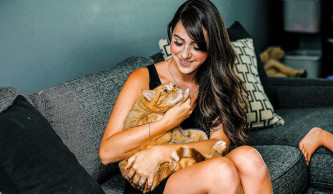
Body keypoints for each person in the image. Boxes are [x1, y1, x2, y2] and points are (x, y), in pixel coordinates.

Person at [99, 0, 273, 193]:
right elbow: (107, 153)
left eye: (197, 47)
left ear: (211, 47)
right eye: (178, 42)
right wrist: (167, 122)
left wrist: (161, 153)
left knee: (249, 158)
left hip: (183, 164)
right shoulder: (142, 78)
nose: (185, 54)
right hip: (152, 181)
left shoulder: (215, 81)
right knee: (221, 170)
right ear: (171, 35)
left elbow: (219, 145)